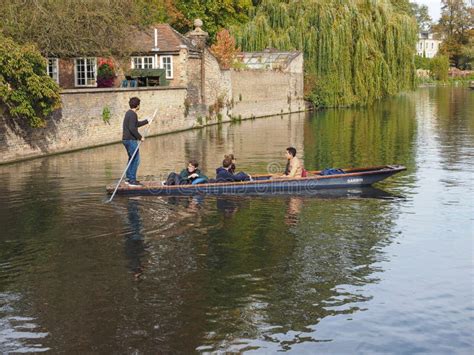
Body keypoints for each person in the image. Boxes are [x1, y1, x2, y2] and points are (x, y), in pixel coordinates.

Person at [122, 97, 148, 186]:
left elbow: (135, 124)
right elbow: (132, 128)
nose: (139, 106)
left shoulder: (128, 113)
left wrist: (146, 121)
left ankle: (128, 178)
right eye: (139, 104)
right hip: (130, 140)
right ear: (137, 105)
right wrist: (140, 137)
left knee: (131, 159)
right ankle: (132, 180)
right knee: (136, 159)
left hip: (126, 140)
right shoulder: (133, 114)